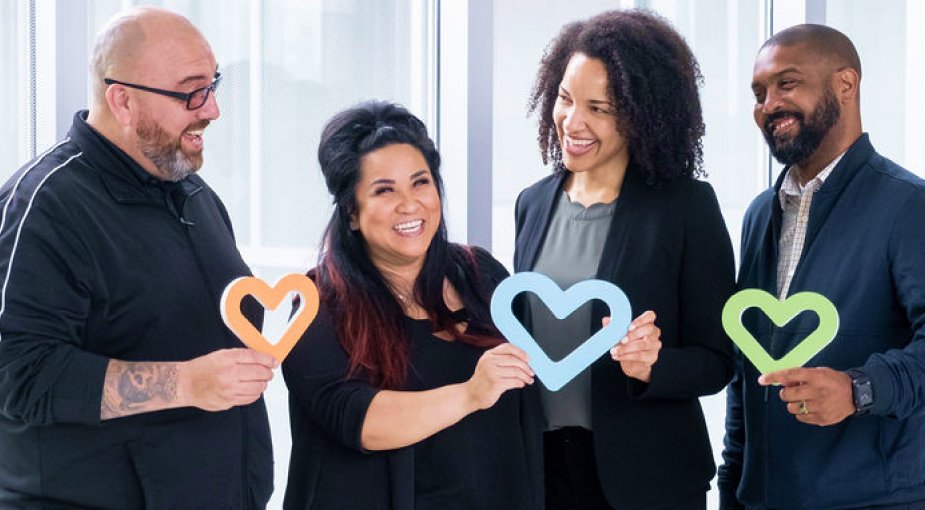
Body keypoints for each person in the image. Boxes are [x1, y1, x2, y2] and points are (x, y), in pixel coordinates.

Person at [0, 7, 275, 508]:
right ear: (122, 100)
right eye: (192, 91)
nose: (212, 109)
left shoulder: (196, 195)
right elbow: (18, 374)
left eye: (213, 84)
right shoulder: (44, 205)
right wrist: (187, 382)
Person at [515, 9, 735, 510]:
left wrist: (654, 366)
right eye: (566, 99)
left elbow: (718, 360)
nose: (573, 122)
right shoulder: (532, 203)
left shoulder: (685, 208)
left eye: (600, 108)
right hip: (544, 472)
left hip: (647, 477)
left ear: (642, 114)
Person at [282, 101, 543, 510]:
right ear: (351, 212)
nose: (410, 204)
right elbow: (356, 419)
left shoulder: (481, 274)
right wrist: (472, 393)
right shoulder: (315, 303)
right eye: (384, 190)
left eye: (421, 182)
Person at [718, 24, 925, 510]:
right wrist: (733, 486)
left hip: (873, 500)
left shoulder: (908, 205)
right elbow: (746, 367)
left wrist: (859, 390)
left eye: (787, 84)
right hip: (764, 497)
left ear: (845, 85)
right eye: (759, 92)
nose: (768, 104)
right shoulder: (758, 215)